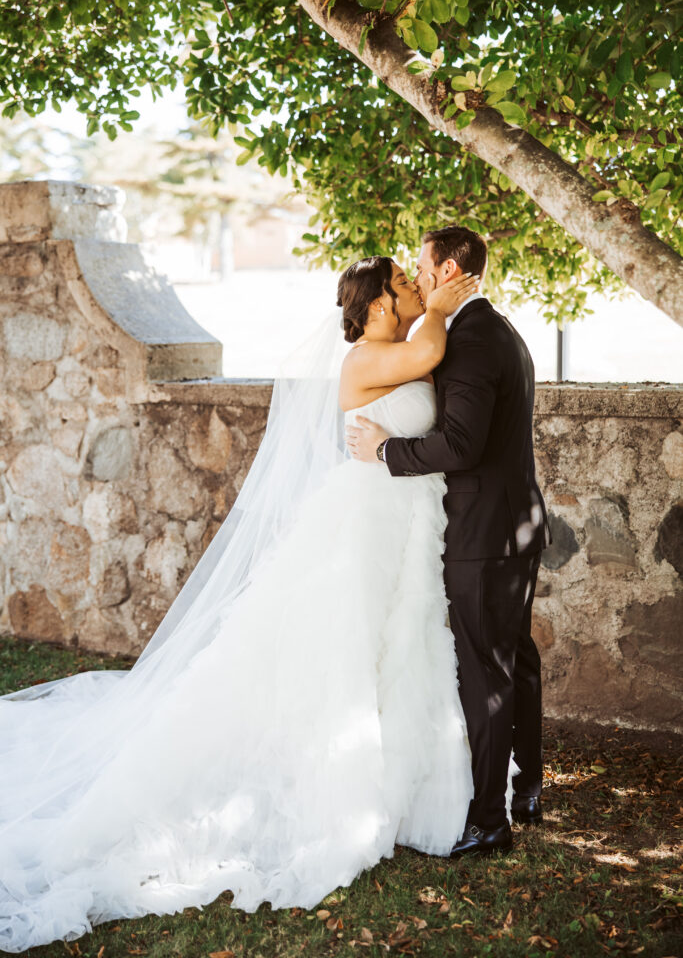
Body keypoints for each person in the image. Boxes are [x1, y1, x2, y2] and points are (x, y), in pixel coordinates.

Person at [0, 255, 482, 954]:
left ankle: (401, 784)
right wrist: (442, 301)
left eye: (416, 283)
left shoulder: (395, 350)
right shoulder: (366, 358)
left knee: (396, 647)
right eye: (404, 286)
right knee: (343, 648)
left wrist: (434, 301)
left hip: (403, 523)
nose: (415, 289)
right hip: (364, 525)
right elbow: (431, 347)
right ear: (378, 306)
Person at [346, 226, 553, 859]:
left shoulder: (469, 341)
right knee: (516, 657)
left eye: (421, 265)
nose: (417, 275)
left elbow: (459, 445)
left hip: (484, 533)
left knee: (487, 672)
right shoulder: (501, 331)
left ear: (449, 270)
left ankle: (491, 819)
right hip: (516, 522)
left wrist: (386, 449)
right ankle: (528, 787)